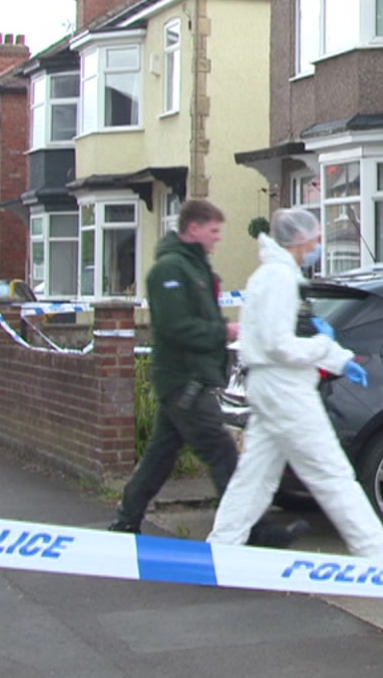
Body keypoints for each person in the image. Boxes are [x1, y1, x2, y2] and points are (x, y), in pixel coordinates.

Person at [207, 208, 383, 563]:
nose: (319, 244)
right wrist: (327, 350)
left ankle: (222, 544)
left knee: (256, 474)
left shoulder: (270, 276)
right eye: (316, 238)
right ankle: (375, 552)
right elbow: (281, 344)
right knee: (331, 472)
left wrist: (334, 357)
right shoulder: (281, 279)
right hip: (286, 389)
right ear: (300, 240)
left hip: (267, 386)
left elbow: (277, 338)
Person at [110, 198, 305, 548]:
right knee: (223, 453)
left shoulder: (195, 269)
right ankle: (254, 530)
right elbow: (175, 327)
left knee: (160, 455)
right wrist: (224, 332)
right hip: (185, 382)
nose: (218, 239)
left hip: (190, 381)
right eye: (213, 231)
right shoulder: (170, 270)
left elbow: (196, 318)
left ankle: (127, 521)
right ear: (194, 228)